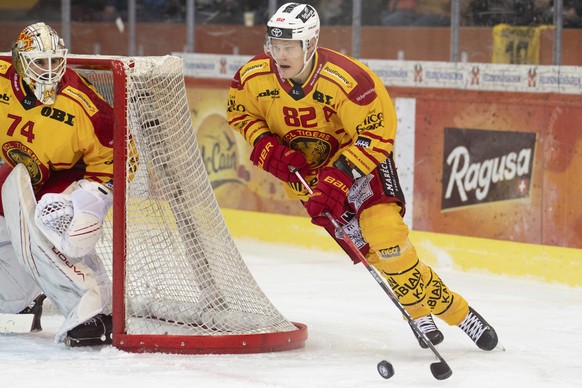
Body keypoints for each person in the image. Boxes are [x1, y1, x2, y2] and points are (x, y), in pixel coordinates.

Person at [226, 2, 499, 351]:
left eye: (289, 47)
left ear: (310, 44)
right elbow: (241, 114)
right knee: (373, 255)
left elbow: (377, 136)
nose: (280, 55)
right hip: (311, 183)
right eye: (275, 46)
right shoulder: (253, 77)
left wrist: (340, 176)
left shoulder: (349, 80)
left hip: (361, 169)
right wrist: (266, 147)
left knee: (389, 242)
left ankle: (456, 314)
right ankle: (439, 309)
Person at [0, 22, 114, 346]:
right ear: (20, 62)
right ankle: (16, 300)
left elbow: (123, 154)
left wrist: (89, 200)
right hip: (18, 170)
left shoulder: (81, 101)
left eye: (55, 61)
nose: (50, 71)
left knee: (51, 219)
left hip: (68, 176)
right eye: (40, 62)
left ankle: (91, 308)